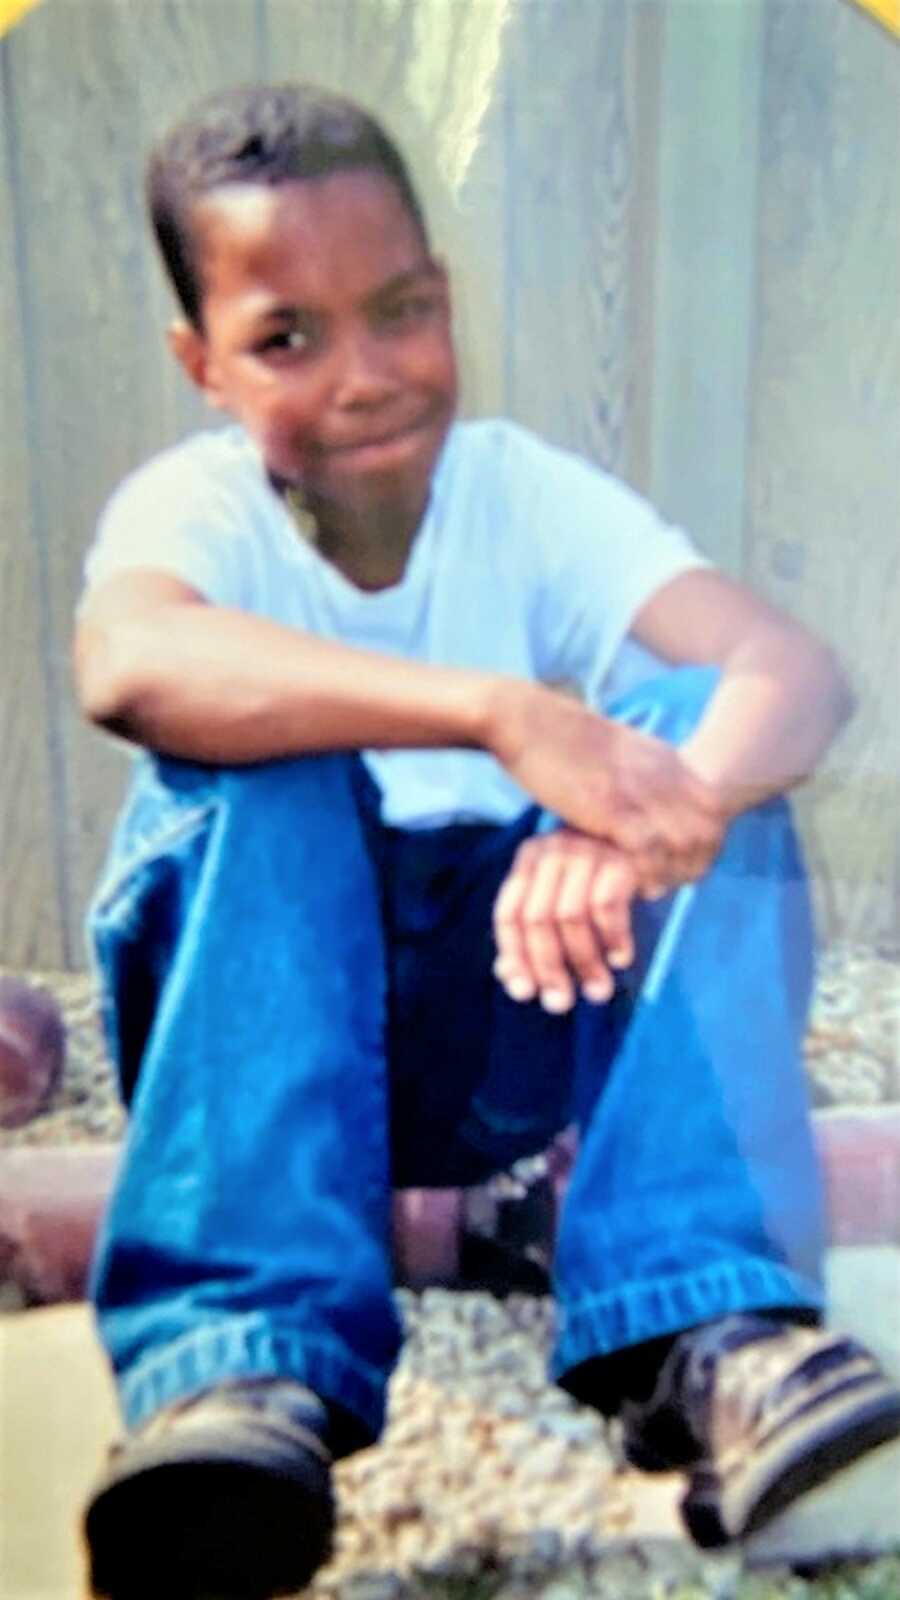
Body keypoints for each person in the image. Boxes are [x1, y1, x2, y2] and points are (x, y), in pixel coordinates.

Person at [74, 82, 900, 1600]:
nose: (368, 376)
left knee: (704, 723)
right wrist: (499, 712)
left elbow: (789, 668)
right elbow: (126, 666)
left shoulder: (517, 491)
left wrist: (646, 822)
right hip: (257, 1038)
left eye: (399, 312)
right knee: (259, 749)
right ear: (201, 363)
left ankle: (704, 1322)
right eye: (286, 338)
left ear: (444, 300)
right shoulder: (189, 509)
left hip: (505, 1024)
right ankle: (239, 1367)